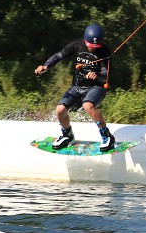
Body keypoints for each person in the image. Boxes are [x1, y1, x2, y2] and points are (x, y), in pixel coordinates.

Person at [35, 23, 115, 151]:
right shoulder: (76, 45)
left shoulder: (105, 51)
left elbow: (106, 76)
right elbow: (58, 56)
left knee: (87, 105)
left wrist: (97, 75)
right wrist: (46, 66)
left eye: (96, 47)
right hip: (78, 86)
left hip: (97, 87)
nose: (93, 49)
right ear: (85, 41)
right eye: (91, 46)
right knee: (60, 110)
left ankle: (107, 136)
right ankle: (67, 135)